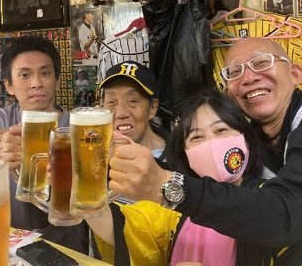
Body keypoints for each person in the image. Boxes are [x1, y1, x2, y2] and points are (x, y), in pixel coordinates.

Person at [108, 37, 302, 264]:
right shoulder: (257, 142)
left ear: (295, 74)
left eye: (261, 63)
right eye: (234, 72)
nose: (248, 78)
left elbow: (286, 216)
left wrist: (168, 187)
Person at [0, 36, 89, 254]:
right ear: (9, 86)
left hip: (65, 249)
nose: (36, 83)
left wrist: (36, 157)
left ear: (57, 80)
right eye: (25, 75)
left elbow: (90, 197)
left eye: (45, 73)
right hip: (3, 246)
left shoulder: (78, 129)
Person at [87, 89, 266, 265]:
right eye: (196, 137)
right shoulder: (174, 204)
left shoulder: (271, 201)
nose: (211, 143)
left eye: (220, 130)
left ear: (246, 139)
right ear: (185, 154)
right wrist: (85, 180)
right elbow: (121, 229)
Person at [99, 61, 166, 162]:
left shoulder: (180, 158)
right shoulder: (94, 158)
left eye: (132, 101)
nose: (121, 113)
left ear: (153, 107)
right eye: (111, 102)